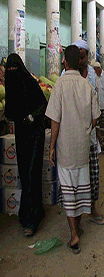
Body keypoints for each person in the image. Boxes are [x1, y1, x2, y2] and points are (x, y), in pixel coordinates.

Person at [46, 45, 101, 254]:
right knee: (80, 187)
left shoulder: (59, 85)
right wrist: (86, 129)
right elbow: (96, 116)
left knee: (69, 191)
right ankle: (77, 227)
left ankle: (74, 234)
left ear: (64, 62)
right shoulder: (86, 85)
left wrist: (51, 146)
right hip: (82, 148)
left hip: (65, 148)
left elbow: (55, 120)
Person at [62, 39, 104, 225]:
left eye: (83, 57)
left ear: (87, 57)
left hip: (90, 137)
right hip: (73, 138)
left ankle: (92, 210)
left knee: (93, 178)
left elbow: (96, 105)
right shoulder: (66, 75)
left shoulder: (94, 76)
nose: (80, 60)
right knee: (74, 180)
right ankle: (75, 217)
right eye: (78, 57)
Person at [5, 53, 47, 237]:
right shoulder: (11, 86)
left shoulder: (29, 83)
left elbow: (43, 104)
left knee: (31, 173)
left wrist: (32, 116)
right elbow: (10, 111)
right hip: (22, 136)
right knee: (25, 174)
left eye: (15, 69)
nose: (12, 72)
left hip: (35, 134)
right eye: (9, 70)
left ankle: (32, 220)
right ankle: (30, 212)